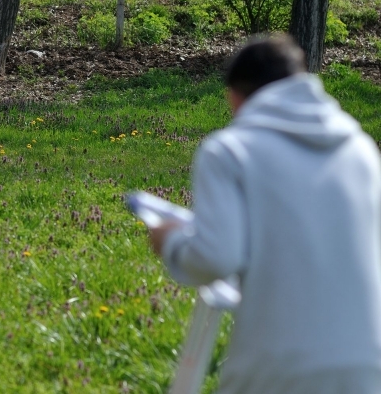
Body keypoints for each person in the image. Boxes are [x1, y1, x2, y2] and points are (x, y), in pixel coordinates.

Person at [148, 35, 381, 394]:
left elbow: (215, 257)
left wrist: (172, 241)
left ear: (235, 97)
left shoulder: (230, 151)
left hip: (280, 363)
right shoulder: (361, 150)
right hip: (368, 363)